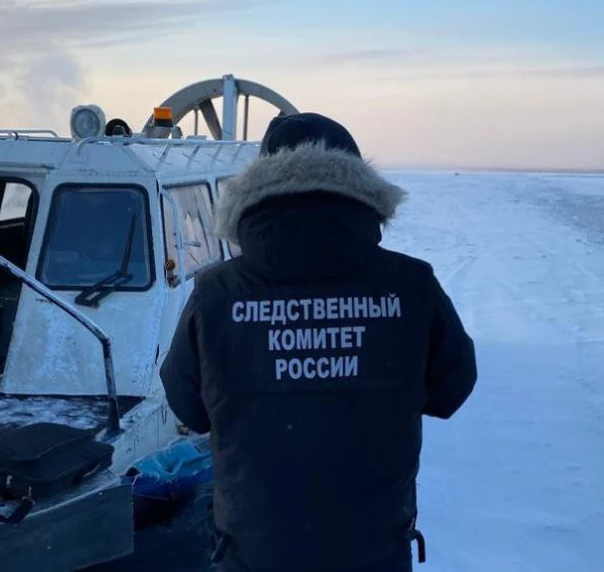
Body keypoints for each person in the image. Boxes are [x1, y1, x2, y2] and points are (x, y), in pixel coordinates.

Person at [159, 112, 477, 572]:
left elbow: (187, 405)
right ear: (360, 186)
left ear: (256, 186)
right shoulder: (411, 285)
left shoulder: (217, 293)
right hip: (373, 550)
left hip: (253, 553)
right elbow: (452, 389)